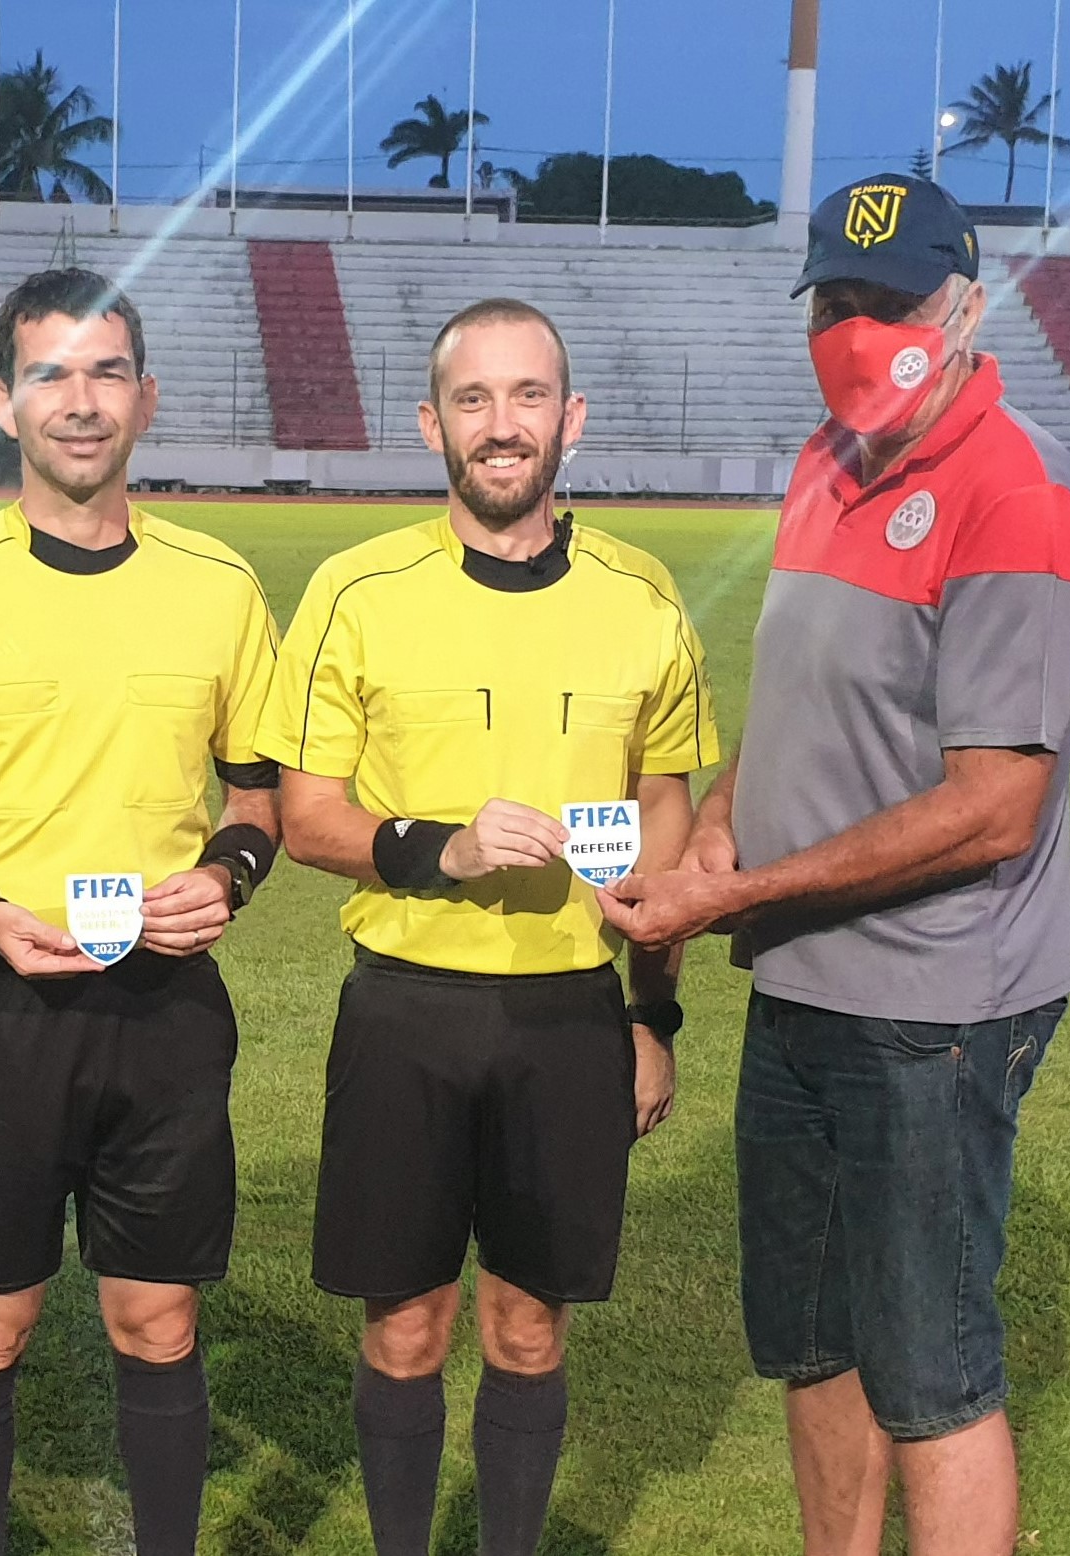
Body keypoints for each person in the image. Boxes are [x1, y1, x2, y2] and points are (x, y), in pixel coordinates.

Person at [601, 175, 1070, 1556]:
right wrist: (720, 820)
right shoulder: (824, 459)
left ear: (965, 311)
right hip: (804, 986)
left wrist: (734, 894)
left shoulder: (1018, 500)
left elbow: (993, 809)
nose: (858, 330)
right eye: (834, 300)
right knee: (815, 1349)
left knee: (931, 1376)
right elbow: (798, 704)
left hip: (933, 1010)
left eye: (890, 302)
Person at [257, 299, 718, 1556]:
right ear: (431, 424)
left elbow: (664, 804)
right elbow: (306, 813)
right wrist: (441, 848)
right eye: (473, 398)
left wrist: (651, 1012)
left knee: (528, 1326)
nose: (500, 424)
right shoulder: (356, 590)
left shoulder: (641, 593)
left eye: (527, 396)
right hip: (405, 1005)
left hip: (569, 1014)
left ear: (571, 419)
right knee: (405, 1326)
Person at [0, 268, 280, 1556]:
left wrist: (223, 877)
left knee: (157, 1318)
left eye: (106, 372)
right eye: (49, 373)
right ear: (2, 400)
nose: (80, 401)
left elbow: (258, 797)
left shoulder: (219, 584)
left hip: (164, 1008)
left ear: (146, 398)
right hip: (0, 1005)